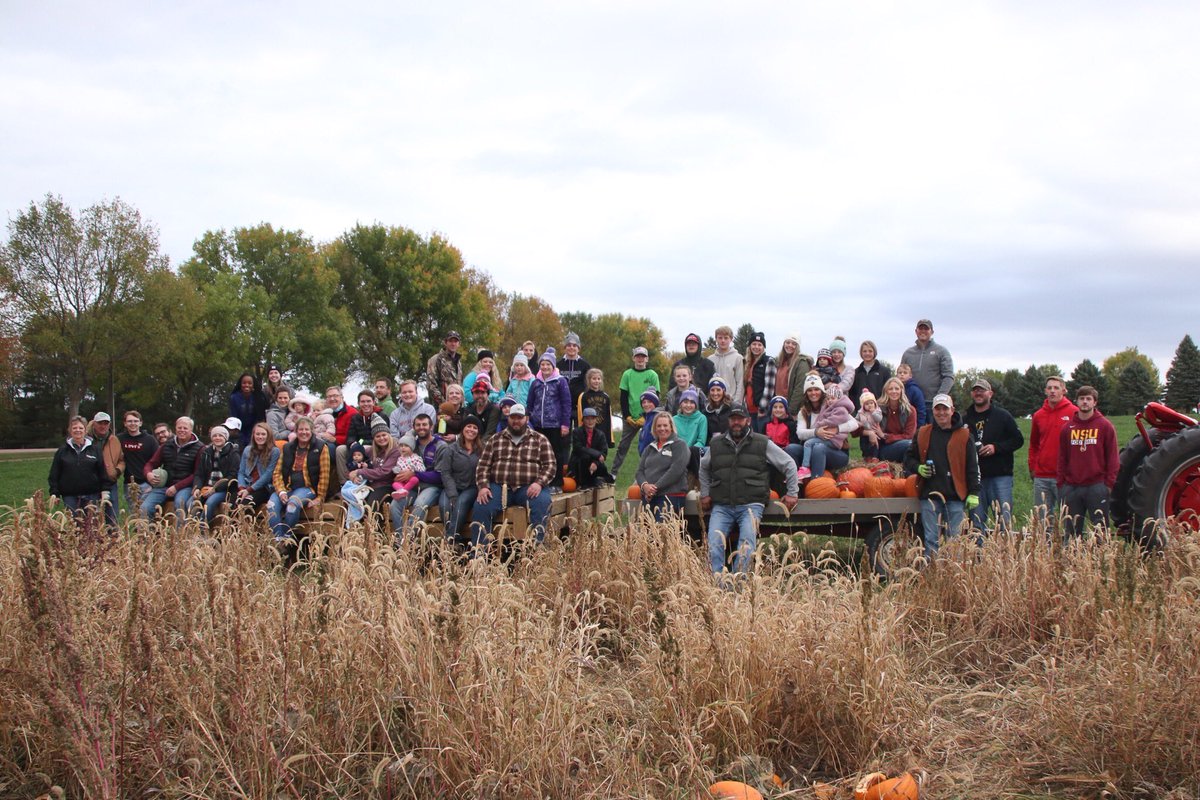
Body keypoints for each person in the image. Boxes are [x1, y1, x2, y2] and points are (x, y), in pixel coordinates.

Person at [700, 403, 800, 576]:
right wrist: (705, 493)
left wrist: (792, 493)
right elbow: (703, 468)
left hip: (751, 505)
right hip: (722, 506)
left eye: (740, 419)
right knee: (714, 544)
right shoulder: (716, 444)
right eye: (733, 419)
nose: (736, 423)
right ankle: (717, 585)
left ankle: (739, 584)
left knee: (746, 546)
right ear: (728, 421)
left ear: (747, 420)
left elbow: (789, 464)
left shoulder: (762, 442)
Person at [470, 403, 558, 551]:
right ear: (507, 418)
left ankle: (538, 551)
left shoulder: (539, 439)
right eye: (513, 417)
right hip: (500, 487)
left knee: (543, 502)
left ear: (526, 418)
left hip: (529, 488)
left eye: (520, 417)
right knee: (481, 507)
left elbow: (550, 465)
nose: (516, 421)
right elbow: (483, 466)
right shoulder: (495, 440)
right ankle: (479, 555)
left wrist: (539, 483)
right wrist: (483, 486)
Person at [904, 394, 980, 559]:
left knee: (954, 540)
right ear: (933, 411)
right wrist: (918, 468)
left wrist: (974, 491)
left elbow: (972, 467)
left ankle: (953, 576)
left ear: (952, 410)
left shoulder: (964, 435)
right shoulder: (923, 433)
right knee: (931, 539)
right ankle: (932, 576)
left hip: (955, 496)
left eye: (945, 409)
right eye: (937, 409)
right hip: (929, 496)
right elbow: (909, 458)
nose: (941, 413)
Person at [963, 378, 1024, 533]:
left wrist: (996, 448)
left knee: (1004, 520)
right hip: (976, 479)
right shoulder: (965, 419)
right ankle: (977, 556)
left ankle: (1004, 555)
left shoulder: (1002, 416)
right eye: (976, 390)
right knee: (976, 523)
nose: (978, 393)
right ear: (972, 394)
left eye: (982, 390)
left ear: (990, 393)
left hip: (1000, 476)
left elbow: (1018, 440)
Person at [1057, 385, 1118, 540]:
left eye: (1088, 399)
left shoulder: (1105, 426)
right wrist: (1061, 484)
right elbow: (1062, 458)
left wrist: (1108, 485)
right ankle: (1072, 561)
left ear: (1095, 402)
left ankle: (1101, 561)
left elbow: (1112, 457)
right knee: (1071, 531)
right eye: (1082, 399)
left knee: (1100, 530)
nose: (1085, 402)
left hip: (1096, 486)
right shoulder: (1068, 428)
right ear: (1076, 402)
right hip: (1072, 487)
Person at [267, 416, 332, 546]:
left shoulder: (320, 447)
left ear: (312, 430)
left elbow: (324, 474)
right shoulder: (287, 448)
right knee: (271, 506)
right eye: (300, 429)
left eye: (307, 429)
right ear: (296, 431)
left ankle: (287, 538)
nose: (304, 432)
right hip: (287, 488)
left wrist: (320, 497)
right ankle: (278, 540)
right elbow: (277, 472)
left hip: (307, 488)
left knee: (292, 505)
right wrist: (280, 491)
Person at [1028, 375, 1078, 524]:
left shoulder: (1074, 413)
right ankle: (1044, 547)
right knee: (1042, 520)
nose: (1052, 391)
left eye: (1056, 388)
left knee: (1069, 518)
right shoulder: (1038, 415)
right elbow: (1034, 444)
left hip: (1065, 477)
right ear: (1045, 391)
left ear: (1064, 390)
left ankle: (1068, 546)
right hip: (1042, 476)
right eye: (1049, 388)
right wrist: (1032, 467)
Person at [389, 414, 444, 542]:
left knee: (419, 505)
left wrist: (414, 474)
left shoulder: (440, 445)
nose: (421, 428)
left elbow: (440, 476)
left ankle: (408, 541)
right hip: (411, 486)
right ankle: (400, 540)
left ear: (431, 426)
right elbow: (401, 462)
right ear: (414, 427)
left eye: (424, 424)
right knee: (394, 506)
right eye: (418, 425)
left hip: (432, 487)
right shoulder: (411, 445)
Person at [140, 417, 204, 524]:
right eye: (179, 428)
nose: (182, 430)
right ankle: (148, 537)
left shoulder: (199, 448)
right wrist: (148, 474)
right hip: (166, 485)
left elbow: (197, 473)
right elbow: (151, 463)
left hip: (186, 486)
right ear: (175, 429)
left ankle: (180, 537)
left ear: (191, 430)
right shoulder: (167, 445)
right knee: (145, 508)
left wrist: (176, 487)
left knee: (180, 505)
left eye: (185, 428)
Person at [527, 348, 572, 489]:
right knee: (539, 454)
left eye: (548, 364)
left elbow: (566, 403)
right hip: (538, 424)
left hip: (555, 424)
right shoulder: (536, 382)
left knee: (555, 454)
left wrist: (565, 424)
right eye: (543, 364)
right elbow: (530, 402)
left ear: (553, 366)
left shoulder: (560, 381)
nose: (545, 367)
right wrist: (529, 418)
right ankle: (541, 481)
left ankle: (557, 482)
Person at [611, 346, 661, 474]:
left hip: (648, 416)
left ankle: (651, 471)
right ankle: (613, 473)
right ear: (633, 358)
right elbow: (623, 397)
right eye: (638, 356)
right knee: (623, 446)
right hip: (630, 417)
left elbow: (656, 398)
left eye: (643, 357)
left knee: (649, 444)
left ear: (647, 359)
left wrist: (646, 417)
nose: (640, 359)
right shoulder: (627, 374)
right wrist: (627, 416)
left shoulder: (652, 375)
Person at [435, 415, 484, 543]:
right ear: (462, 429)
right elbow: (445, 472)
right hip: (452, 485)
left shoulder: (482, 450)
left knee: (461, 504)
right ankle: (456, 540)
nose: (471, 430)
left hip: (471, 487)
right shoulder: (451, 448)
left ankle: (449, 541)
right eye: (468, 426)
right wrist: (452, 494)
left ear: (478, 432)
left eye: (475, 428)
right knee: (444, 505)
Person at [48, 416, 105, 524]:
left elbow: (102, 471)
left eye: (80, 428)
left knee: (91, 526)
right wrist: (54, 492)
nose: (77, 430)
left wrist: (104, 490)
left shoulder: (95, 450)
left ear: (85, 430)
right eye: (74, 428)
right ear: (70, 430)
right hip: (70, 496)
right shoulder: (62, 451)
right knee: (73, 526)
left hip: (91, 495)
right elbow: (54, 473)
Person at [343, 423, 401, 525]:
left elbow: (384, 472)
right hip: (368, 485)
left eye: (384, 435)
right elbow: (355, 462)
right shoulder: (370, 451)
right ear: (374, 439)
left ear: (389, 435)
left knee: (371, 507)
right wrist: (352, 474)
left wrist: (359, 471)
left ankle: (375, 536)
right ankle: (352, 534)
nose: (381, 438)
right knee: (350, 501)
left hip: (386, 485)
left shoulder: (395, 451)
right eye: (378, 436)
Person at [796, 382, 855, 480]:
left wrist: (837, 429)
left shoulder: (837, 407)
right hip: (818, 444)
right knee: (792, 448)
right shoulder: (805, 411)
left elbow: (855, 423)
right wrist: (816, 431)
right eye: (810, 390)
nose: (813, 393)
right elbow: (800, 434)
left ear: (822, 391)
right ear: (806, 394)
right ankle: (798, 481)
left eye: (816, 389)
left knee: (818, 447)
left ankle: (816, 481)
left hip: (835, 449)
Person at [636, 413, 690, 521]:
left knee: (662, 533)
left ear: (671, 427)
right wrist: (645, 486)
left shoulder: (679, 445)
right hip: (649, 497)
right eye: (659, 426)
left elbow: (676, 470)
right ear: (654, 428)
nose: (662, 429)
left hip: (670, 496)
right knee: (646, 534)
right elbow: (639, 471)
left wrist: (654, 488)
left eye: (665, 425)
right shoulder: (649, 448)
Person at [900, 319, 954, 421]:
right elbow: (901, 378)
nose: (923, 331)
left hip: (932, 404)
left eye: (926, 328)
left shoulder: (942, 351)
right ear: (916, 331)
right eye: (920, 328)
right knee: (914, 436)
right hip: (911, 403)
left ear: (932, 332)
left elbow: (949, 377)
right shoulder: (908, 353)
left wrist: (938, 399)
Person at [190, 424, 240, 527]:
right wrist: (197, 487)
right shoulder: (206, 453)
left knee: (210, 503)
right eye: (215, 436)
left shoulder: (232, 453)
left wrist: (214, 489)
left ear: (225, 438)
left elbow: (232, 475)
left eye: (220, 436)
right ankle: (190, 530)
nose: (217, 438)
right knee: (191, 503)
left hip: (224, 489)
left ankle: (202, 530)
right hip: (206, 487)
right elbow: (199, 473)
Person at [337, 389, 387, 482]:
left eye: (368, 401)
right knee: (340, 450)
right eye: (363, 401)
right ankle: (345, 482)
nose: (366, 404)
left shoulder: (381, 415)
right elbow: (350, 435)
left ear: (373, 402)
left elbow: (384, 437)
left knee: (366, 448)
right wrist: (352, 443)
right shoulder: (356, 417)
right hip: (358, 446)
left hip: (376, 445)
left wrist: (360, 443)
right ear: (359, 403)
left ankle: (370, 480)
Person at [87, 411, 124, 527]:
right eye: (100, 423)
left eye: (106, 423)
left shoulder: (114, 440)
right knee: (92, 516)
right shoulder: (87, 441)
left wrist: (117, 471)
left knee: (111, 516)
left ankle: (113, 541)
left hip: (109, 482)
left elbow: (121, 460)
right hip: (92, 483)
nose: (103, 426)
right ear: (94, 424)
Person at [118, 410, 158, 513]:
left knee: (145, 512)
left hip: (146, 483)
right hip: (129, 484)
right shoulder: (119, 439)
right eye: (130, 421)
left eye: (135, 421)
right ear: (125, 423)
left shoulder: (150, 440)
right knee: (134, 514)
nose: (133, 424)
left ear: (140, 423)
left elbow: (157, 461)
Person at [235, 422, 281, 510]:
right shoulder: (247, 449)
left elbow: (268, 474)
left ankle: (248, 523)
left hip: (263, 487)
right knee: (234, 504)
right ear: (253, 435)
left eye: (263, 434)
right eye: (258, 434)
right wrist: (242, 487)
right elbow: (241, 472)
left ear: (268, 436)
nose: (260, 437)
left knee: (245, 506)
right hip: (246, 484)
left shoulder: (274, 451)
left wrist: (249, 490)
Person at [568, 407, 613, 488]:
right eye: (587, 419)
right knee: (585, 457)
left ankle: (598, 480)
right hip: (579, 463)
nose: (590, 421)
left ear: (596, 420)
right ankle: (583, 484)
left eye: (592, 419)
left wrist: (595, 462)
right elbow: (578, 448)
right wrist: (597, 454)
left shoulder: (600, 434)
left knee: (601, 465)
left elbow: (604, 452)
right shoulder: (577, 432)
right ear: (583, 420)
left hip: (594, 461)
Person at [877, 377, 918, 463]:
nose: (894, 391)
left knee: (910, 444)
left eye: (897, 388)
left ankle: (908, 469)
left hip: (903, 443)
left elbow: (909, 435)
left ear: (901, 391)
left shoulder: (910, 410)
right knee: (908, 445)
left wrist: (886, 436)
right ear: (886, 391)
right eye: (890, 389)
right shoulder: (878, 409)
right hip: (883, 447)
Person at [743, 331, 776, 432]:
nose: (756, 347)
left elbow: (769, 387)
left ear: (763, 347)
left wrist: (763, 408)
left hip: (761, 410)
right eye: (754, 344)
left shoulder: (769, 361)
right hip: (749, 409)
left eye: (759, 344)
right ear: (750, 346)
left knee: (762, 439)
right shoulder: (746, 362)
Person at [556, 332, 591, 420]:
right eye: (569, 345)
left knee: (579, 432)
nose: (571, 347)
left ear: (578, 348)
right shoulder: (558, 365)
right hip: (562, 406)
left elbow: (589, 385)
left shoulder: (585, 365)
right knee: (564, 432)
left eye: (574, 345)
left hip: (579, 406)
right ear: (565, 347)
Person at [776, 333, 814, 413]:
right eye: (788, 342)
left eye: (794, 344)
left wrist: (791, 410)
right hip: (779, 407)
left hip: (792, 409)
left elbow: (800, 388)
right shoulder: (781, 361)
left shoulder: (802, 362)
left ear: (797, 347)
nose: (790, 345)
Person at [708, 325, 745, 405]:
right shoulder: (710, 359)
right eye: (720, 338)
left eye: (726, 338)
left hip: (731, 402)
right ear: (716, 339)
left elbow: (740, 382)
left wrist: (737, 403)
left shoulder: (737, 358)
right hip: (714, 402)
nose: (723, 341)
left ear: (731, 339)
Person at [850, 340, 891, 411]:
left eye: (870, 351)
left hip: (879, 412)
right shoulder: (856, 372)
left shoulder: (884, 371)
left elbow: (888, 392)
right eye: (864, 351)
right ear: (861, 353)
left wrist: (882, 407)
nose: (867, 353)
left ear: (874, 352)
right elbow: (852, 394)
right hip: (861, 413)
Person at [673, 388, 709, 468]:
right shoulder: (674, 419)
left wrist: (688, 451)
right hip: (677, 452)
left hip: (694, 453)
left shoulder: (701, 418)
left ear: (696, 405)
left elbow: (701, 441)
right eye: (685, 402)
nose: (688, 405)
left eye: (692, 402)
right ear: (681, 404)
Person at [229, 373, 266, 448]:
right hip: (238, 429)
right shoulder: (234, 397)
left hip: (253, 429)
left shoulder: (258, 397)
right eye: (244, 383)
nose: (247, 385)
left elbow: (260, 417)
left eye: (249, 383)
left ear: (253, 385)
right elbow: (233, 416)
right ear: (240, 384)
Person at [426, 331, 463, 407]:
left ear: (459, 344)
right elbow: (431, 386)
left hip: (456, 406)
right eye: (450, 341)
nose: (453, 344)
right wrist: (444, 404)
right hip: (439, 407)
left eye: (455, 341)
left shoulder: (458, 363)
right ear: (445, 343)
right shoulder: (436, 359)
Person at [763, 395, 802, 465]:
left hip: (785, 454)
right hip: (770, 454)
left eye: (781, 407)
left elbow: (793, 443)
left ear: (786, 409)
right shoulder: (766, 424)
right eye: (775, 407)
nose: (778, 409)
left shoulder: (791, 425)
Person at [576, 368, 612, 444]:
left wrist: (610, 438)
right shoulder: (583, 396)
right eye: (594, 379)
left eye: (599, 379)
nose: (596, 381)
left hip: (602, 431)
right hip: (588, 432)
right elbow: (580, 416)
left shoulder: (606, 397)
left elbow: (608, 417)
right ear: (589, 380)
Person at [856, 391, 886, 462]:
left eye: (871, 403)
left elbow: (879, 418)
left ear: (875, 403)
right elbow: (856, 420)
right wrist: (858, 423)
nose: (869, 405)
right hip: (865, 432)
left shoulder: (877, 411)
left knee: (875, 445)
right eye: (867, 404)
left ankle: (875, 457)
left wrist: (873, 412)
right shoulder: (860, 412)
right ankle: (866, 456)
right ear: (863, 405)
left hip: (875, 431)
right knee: (864, 445)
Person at [702, 377, 732, 443]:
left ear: (723, 390)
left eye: (718, 390)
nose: (715, 393)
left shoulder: (732, 408)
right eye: (712, 390)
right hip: (713, 445)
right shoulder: (705, 412)